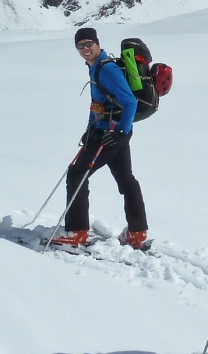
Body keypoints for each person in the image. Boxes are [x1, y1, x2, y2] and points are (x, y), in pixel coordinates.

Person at [52, 27, 150, 249]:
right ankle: (137, 232)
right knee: (126, 179)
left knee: (77, 174)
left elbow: (130, 102)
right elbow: (98, 103)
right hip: (109, 130)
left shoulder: (107, 70)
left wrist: (121, 132)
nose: (85, 49)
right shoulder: (96, 67)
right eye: (80, 46)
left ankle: (76, 232)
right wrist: (90, 128)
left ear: (97, 43)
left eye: (88, 44)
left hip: (110, 133)